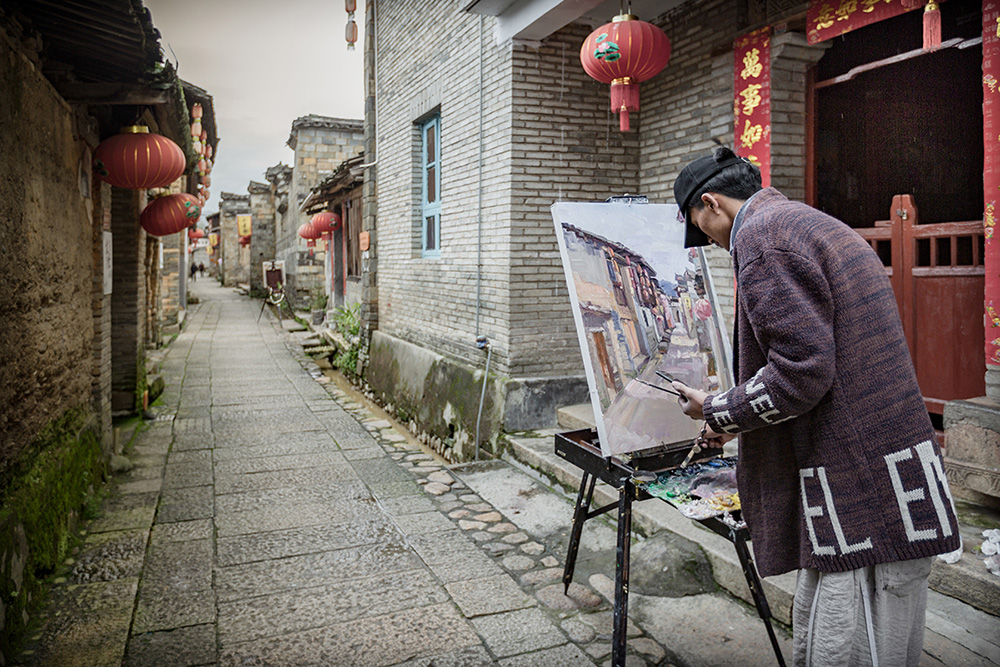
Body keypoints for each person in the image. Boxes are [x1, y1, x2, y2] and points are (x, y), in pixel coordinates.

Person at [670, 147, 960, 666]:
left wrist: (719, 409)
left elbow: (801, 373)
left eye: (701, 229)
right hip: (891, 464)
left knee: (849, 640)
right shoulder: (808, 222)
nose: (712, 244)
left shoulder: (761, 242)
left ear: (710, 204)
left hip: (854, 478)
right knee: (891, 634)